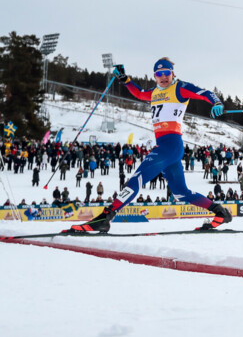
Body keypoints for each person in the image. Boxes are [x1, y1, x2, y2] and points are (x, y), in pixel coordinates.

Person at [68, 58, 231, 233]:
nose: (163, 77)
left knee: (136, 180)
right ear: (155, 76)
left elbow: (205, 92)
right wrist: (125, 79)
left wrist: (217, 103)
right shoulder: (154, 93)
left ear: (172, 73)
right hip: (168, 147)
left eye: (166, 73)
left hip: (170, 145)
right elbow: (139, 93)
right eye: (159, 74)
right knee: (181, 192)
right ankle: (220, 212)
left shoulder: (180, 87)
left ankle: (105, 217)